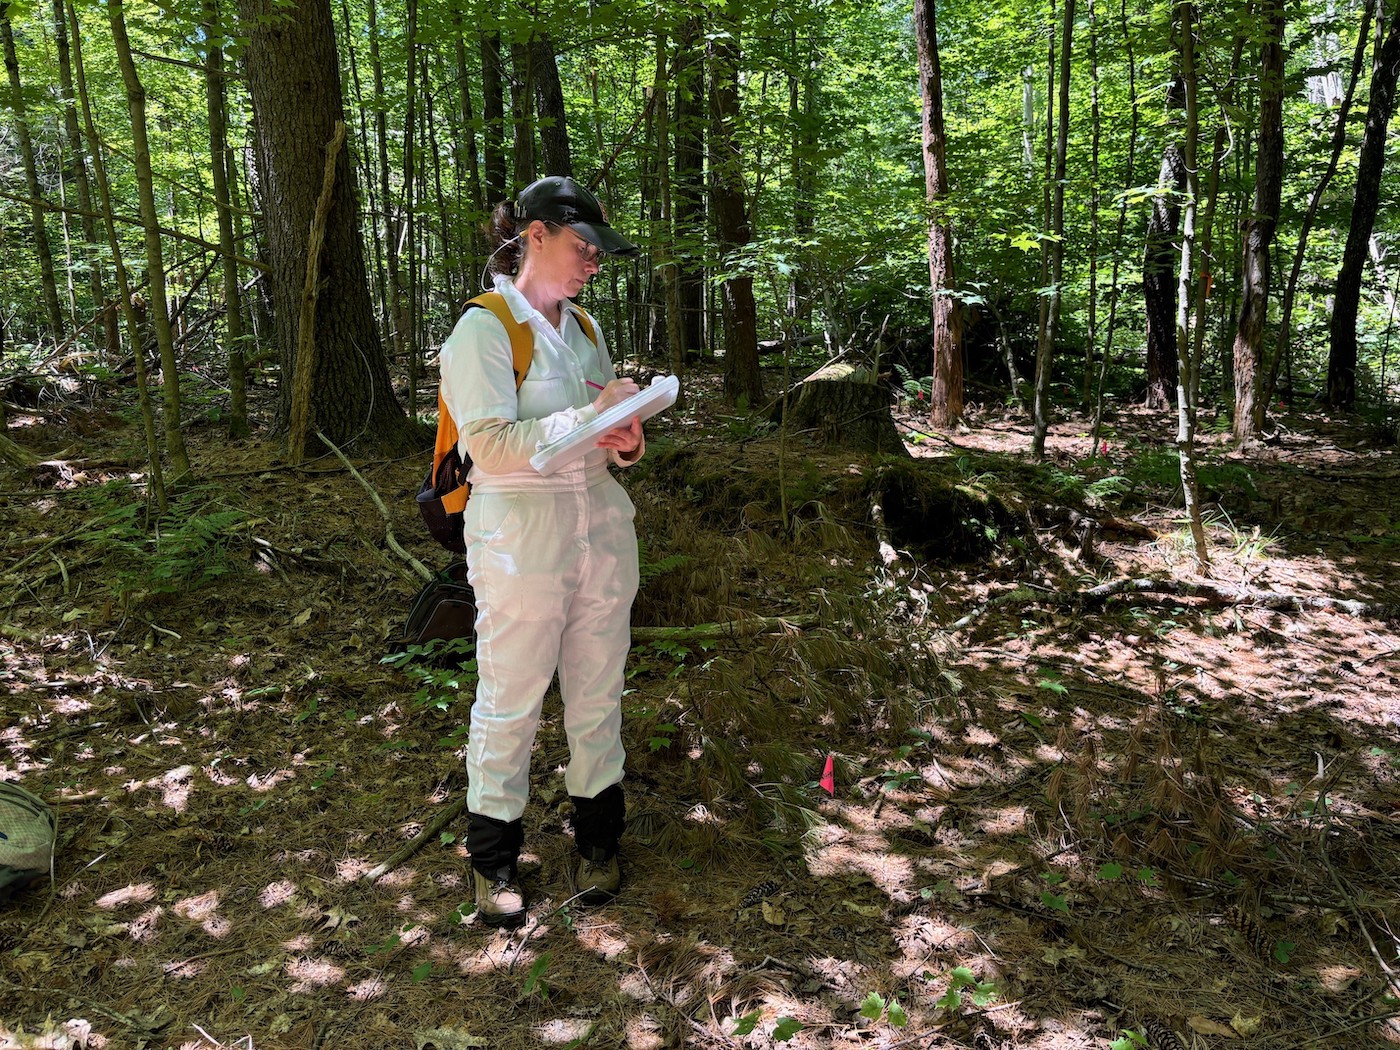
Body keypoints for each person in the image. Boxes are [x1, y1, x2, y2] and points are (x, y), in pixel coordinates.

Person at [438, 175, 645, 929]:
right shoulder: (485, 329)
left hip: (600, 529)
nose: (594, 262)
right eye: (583, 247)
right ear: (534, 235)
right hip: (519, 536)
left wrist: (624, 436)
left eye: (599, 252)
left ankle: (598, 840)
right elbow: (487, 450)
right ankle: (493, 856)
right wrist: (589, 418)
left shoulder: (586, 330)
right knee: (512, 696)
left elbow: (599, 437)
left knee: (598, 691)